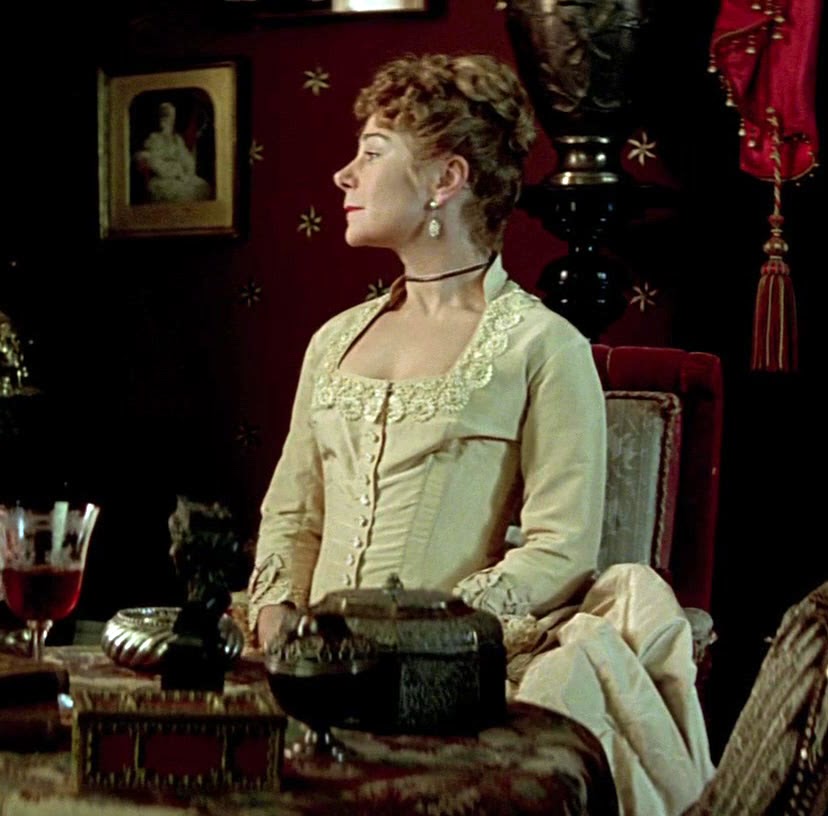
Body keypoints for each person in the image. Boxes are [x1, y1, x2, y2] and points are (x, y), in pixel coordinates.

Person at [248, 53, 713, 815]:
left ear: (446, 179)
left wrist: (428, 639)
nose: (343, 175)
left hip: (454, 679)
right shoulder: (333, 340)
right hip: (311, 679)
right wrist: (278, 623)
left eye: (372, 153)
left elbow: (561, 547)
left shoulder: (541, 345)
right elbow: (294, 513)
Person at [133, 101, 212, 204]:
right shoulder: (154, 139)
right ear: (161, 119)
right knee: (183, 193)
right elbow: (155, 162)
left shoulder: (177, 139)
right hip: (163, 179)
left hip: (181, 176)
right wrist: (176, 171)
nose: (169, 121)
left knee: (202, 186)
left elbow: (186, 158)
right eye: (166, 117)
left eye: (171, 117)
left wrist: (187, 172)